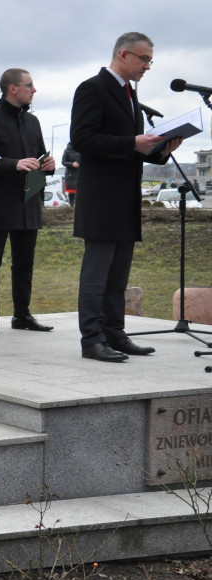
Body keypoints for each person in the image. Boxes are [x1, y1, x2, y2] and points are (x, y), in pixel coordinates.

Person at [71, 32, 181, 362]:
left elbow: (130, 145)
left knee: (117, 275)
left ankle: (115, 334)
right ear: (123, 54)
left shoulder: (130, 93)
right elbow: (83, 139)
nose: (148, 66)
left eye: (150, 60)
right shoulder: (92, 88)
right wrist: (132, 143)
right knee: (96, 276)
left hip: (125, 199)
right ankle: (92, 340)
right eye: (144, 59)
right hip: (101, 199)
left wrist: (161, 150)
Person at [0, 68, 56, 336]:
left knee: (25, 262)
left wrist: (49, 165)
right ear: (12, 88)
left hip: (29, 200)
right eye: (29, 85)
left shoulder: (33, 122)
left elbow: (39, 155)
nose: (34, 90)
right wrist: (14, 164)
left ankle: (22, 315)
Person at [62, 142, 80, 207]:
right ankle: (71, 205)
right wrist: (72, 164)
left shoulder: (81, 149)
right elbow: (63, 162)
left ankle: (78, 206)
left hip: (80, 173)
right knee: (71, 192)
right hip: (70, 174)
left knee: (80, 191)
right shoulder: (67, 151)